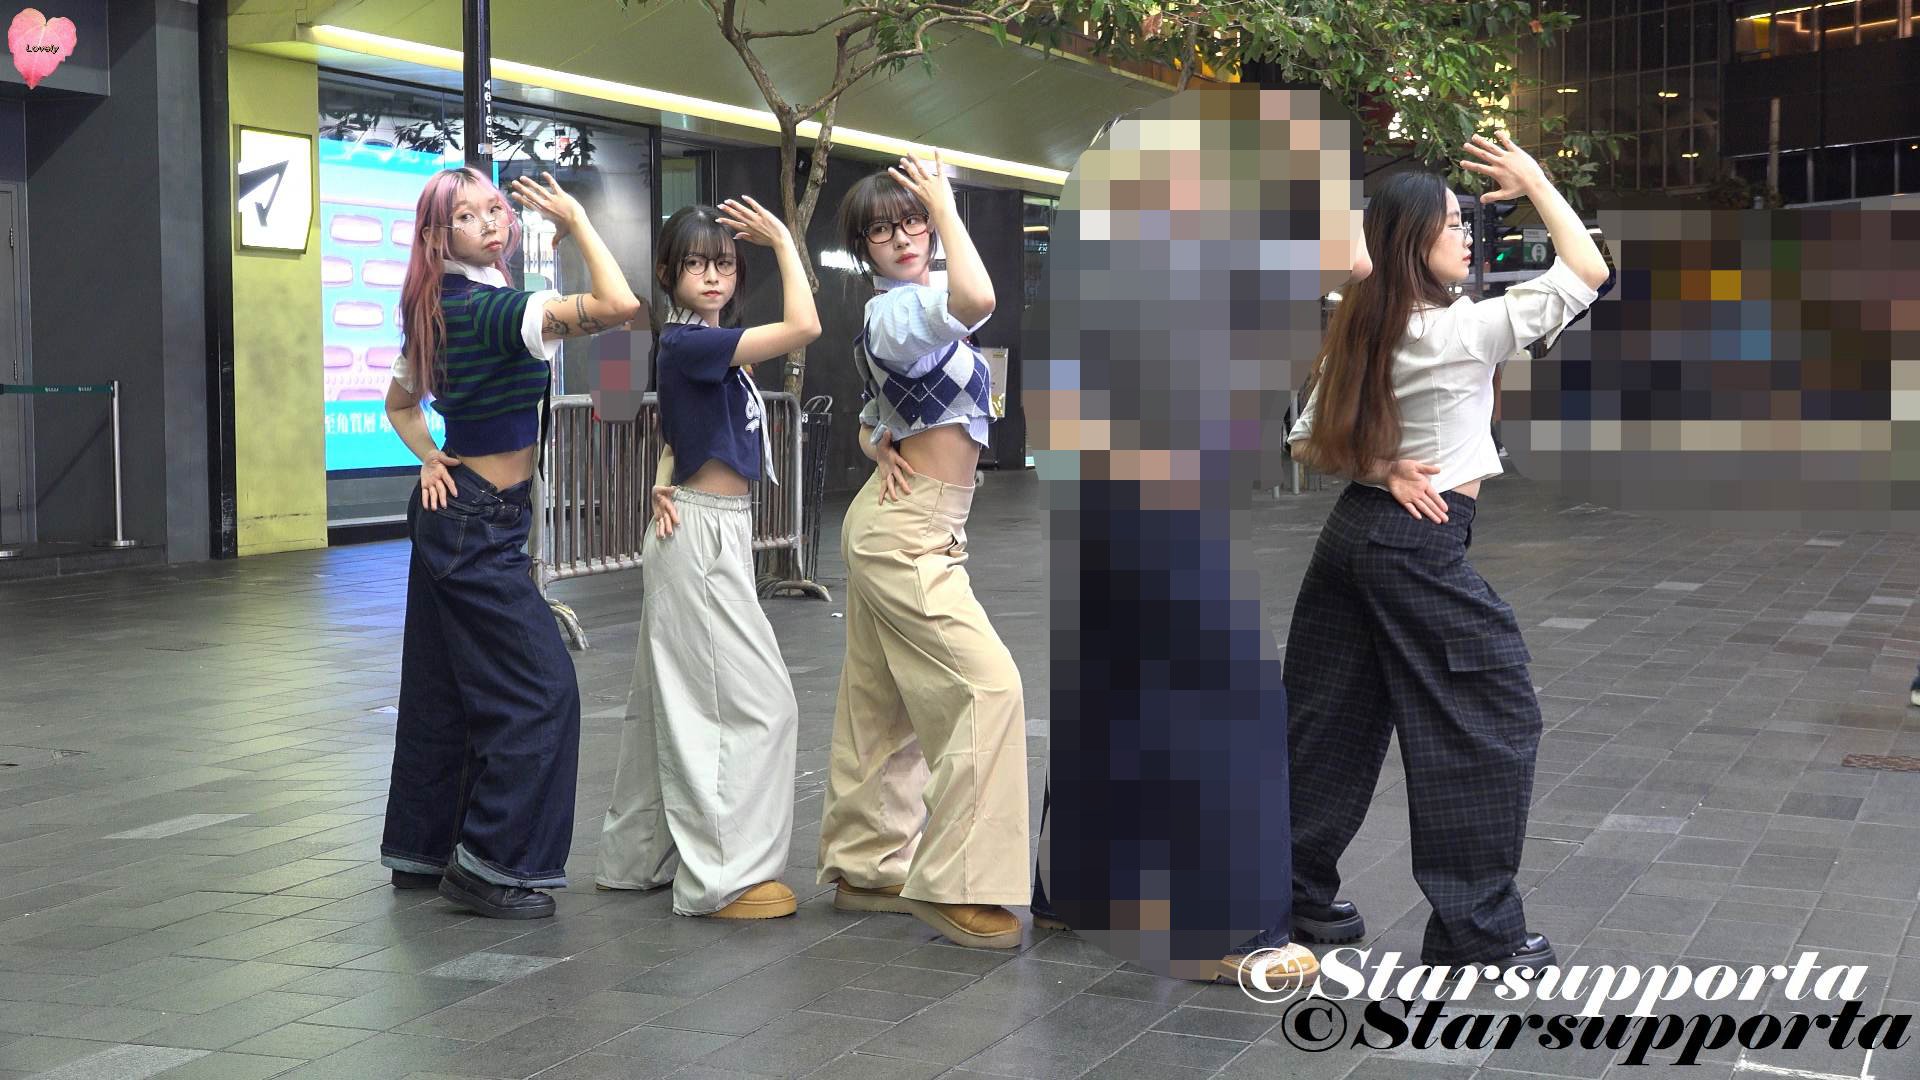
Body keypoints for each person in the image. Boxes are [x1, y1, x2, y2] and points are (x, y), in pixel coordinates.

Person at [1285, 134, 1609, 973]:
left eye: (1467, 221)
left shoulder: (1364, 324)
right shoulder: (1461, 331)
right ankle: (1478, 931)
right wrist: (1534, 178)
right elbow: (1587, 271)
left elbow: (1303, 440)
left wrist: (1381, 468)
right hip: (1415, 548)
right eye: (1452, 224)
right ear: (1410, 242)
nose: (1467, 235)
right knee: (1492, 717)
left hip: (1353, 536)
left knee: (1329, 721)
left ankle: (1288, 890)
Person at [381, 168, 643, 920]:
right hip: (478, 523)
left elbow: (398, 403)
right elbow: (621, 307)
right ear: (437, 237)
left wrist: (431, 458)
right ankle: (492, 867)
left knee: (442, 691)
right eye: (467, 216)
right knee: (542, 691)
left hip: (457, 513)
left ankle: (425, 852)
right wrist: (580, 221)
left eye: (494, 208)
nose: (490, 221)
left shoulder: (439, 305)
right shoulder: (497, 309)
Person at [816, 151, 1030, 950]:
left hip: (905, 523)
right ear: (862, 248)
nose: (905, 237)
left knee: (881, 706)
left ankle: (869, 864)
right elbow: (978, 298)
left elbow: (875, 415)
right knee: (987, 688)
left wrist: (873, 440)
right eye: (884, 230)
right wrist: (944, 205)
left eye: (911, 222)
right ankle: (958, 881)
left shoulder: (903, 313)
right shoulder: (899, 312)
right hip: (906, 533)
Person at [594, 198, 817, 918]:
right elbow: (805, 327)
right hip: (699, 534)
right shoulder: (691, 342)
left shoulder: (702, 345)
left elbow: (675, 431)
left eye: (723, 264)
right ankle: (726, 878)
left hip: (706, 525)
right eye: (695, 265)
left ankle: (637, 859)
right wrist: (784, 242)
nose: (713, 276)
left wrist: (662, 481)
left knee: (665, 701)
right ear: (669, 274)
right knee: (756, 703)